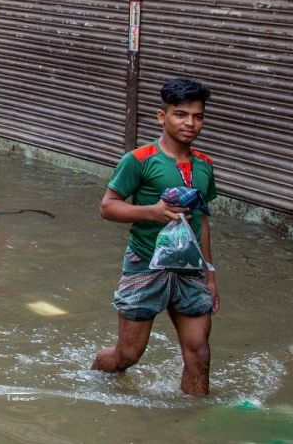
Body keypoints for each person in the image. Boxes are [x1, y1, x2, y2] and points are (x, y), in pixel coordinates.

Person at [93, 78, 218, 397]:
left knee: (199, 355)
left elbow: (202, 220)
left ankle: (192, 425)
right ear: (162, 117)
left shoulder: (204, 165)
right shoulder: (139, 160)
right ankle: (94, 378)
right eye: (181, 114)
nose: (190, 123)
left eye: (198, 116)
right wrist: (154, 211)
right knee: (127, 356)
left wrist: (210, 275)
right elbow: (108, 207)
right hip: (145, 265)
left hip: (191, 271)